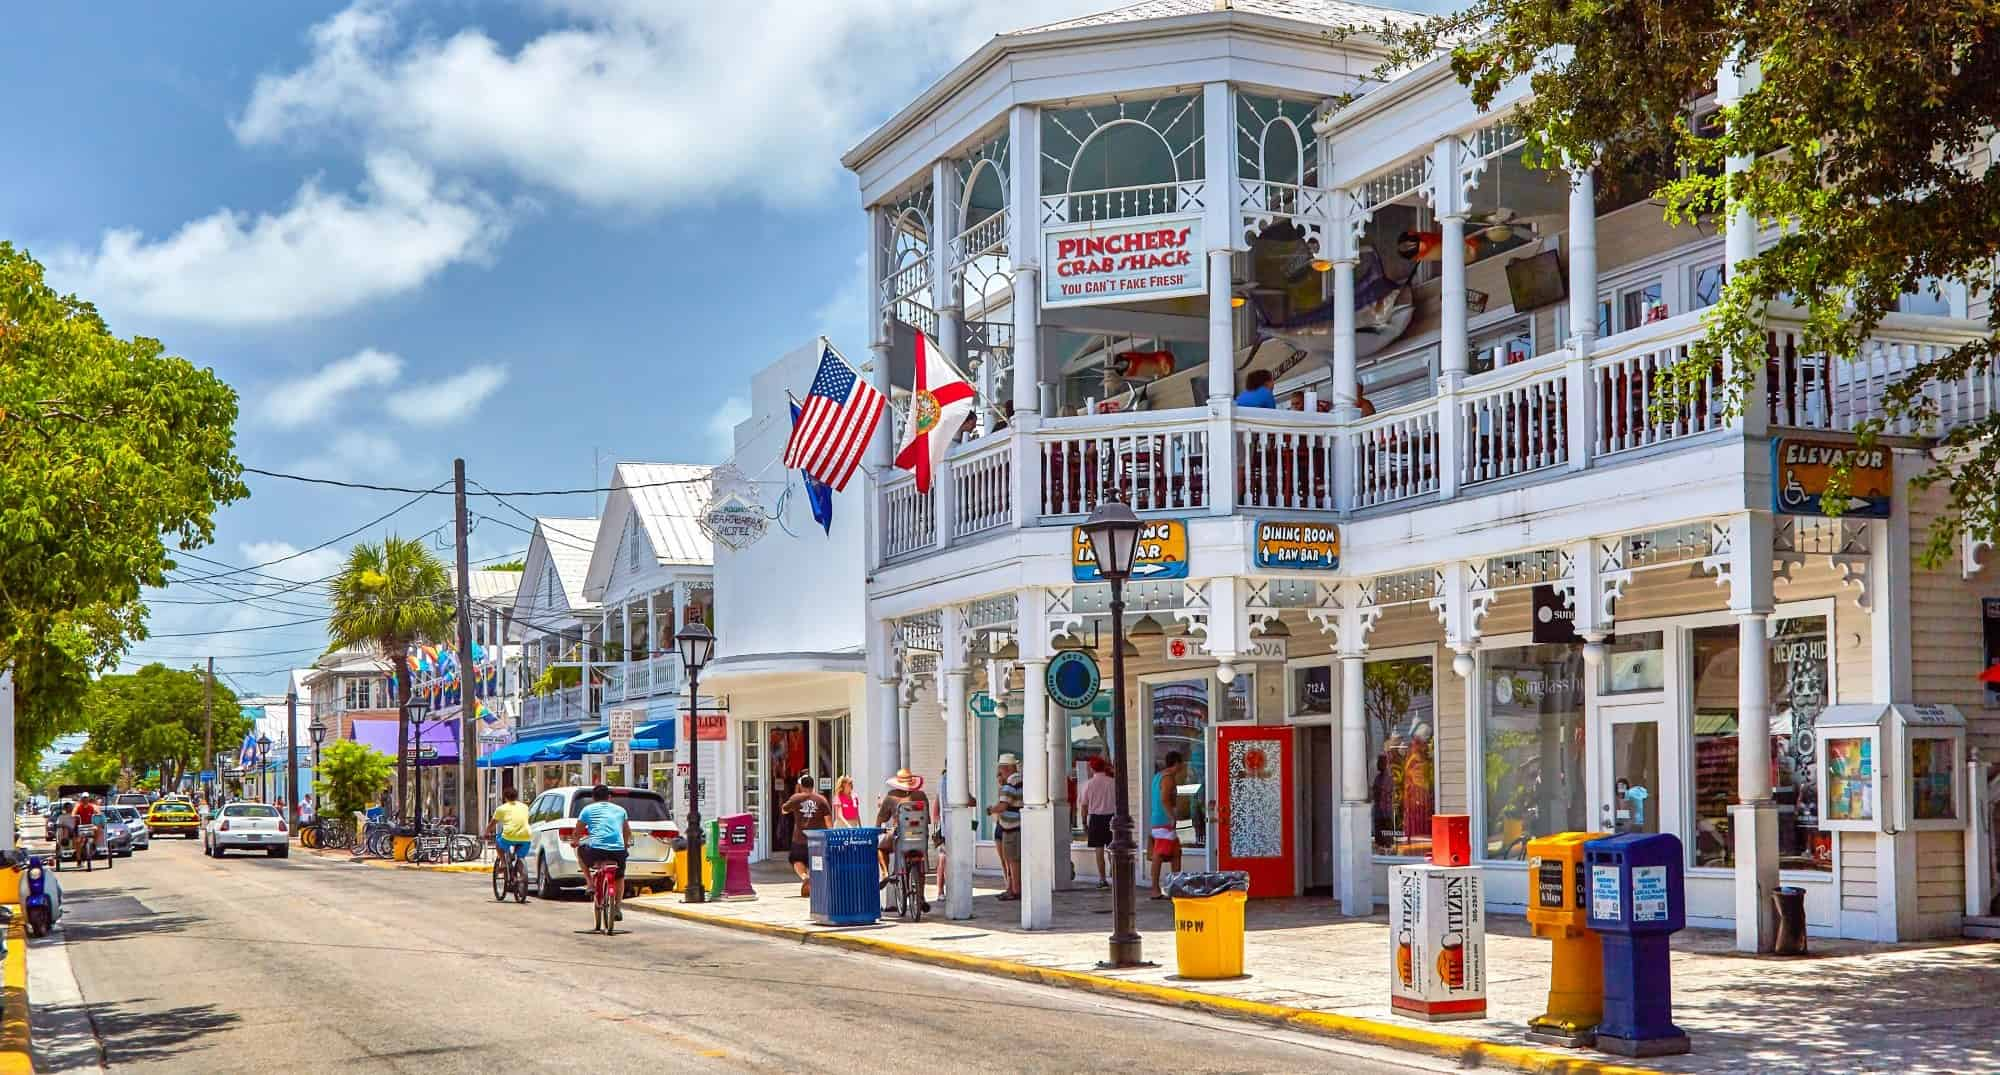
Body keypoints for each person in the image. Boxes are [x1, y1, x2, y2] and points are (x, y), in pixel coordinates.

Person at [567, 785, 632, 920]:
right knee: (619, 877)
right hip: (617, 851)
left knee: (580, 851)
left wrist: (575, 841)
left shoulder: (587, 810)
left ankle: (590, 883)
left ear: (593, 798)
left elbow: (577, 832)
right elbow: (627, 832)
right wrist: (625, 846)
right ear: (609, 797)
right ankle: (618, 908)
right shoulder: (621, 810)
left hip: (596, 850)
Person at [875, 769, 931, 912]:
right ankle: (921, 896)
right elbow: (927, 820)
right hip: (919, 836)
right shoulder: (921, 795)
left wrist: (877, 829)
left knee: (880, 848)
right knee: (921, 861)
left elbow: (881, 818)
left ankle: (885, 873)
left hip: (900, 837)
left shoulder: (891, 797)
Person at [779, 773, 830, 897]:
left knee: (796, 860)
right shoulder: (821, 799)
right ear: (813, 786)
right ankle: (816, 886)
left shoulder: (796, 798)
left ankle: (804, 876)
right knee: (816, 862)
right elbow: (828, 820)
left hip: (800, 839)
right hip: (817, 839)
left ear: (801, 786)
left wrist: (796, 794)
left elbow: (783, 810)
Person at [1148, 752, 1186, 899]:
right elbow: (1164, 799)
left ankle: (1174, 887)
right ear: (1176, 763)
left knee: (1176, 853)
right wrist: (1172, 817)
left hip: (1157, 819)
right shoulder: (1168, 778)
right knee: (1159, 853)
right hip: (1164, 821)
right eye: (1181, 763)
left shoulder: (1158, 776)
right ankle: (1155, 889)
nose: (1183, 766)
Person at [986, 754, 1024, 901]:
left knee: (1012, 860)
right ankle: (1013, 887)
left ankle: (1015, 890)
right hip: (1017, 826)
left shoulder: (1009, 785)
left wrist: (990, 810)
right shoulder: (1020, 781)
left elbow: (1003, 806)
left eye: (1001, 769)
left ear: (1006, 768)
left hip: (1011, 827)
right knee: (1013, 859)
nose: (999, 772)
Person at [1078, 756, 1117, 889]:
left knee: (1099, 849)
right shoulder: (1112, 782)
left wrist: (1084, 822)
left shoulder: (1088, 784)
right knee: (1113, 849)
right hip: (1112, 817)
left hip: (1096, 818)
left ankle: (1102, 879)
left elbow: (1084, 805)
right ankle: (1116, 874)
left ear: (1092, 768)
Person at [487, 785, 532, 888]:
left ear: (505, 797)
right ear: (516, 797)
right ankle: (521, 876)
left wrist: (486, 833)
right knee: (520, 857)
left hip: (509, 836)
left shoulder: (501, 809)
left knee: (498, 841)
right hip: (526, 836)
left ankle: (503, 862)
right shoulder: (525, 807)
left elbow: (492, 824)